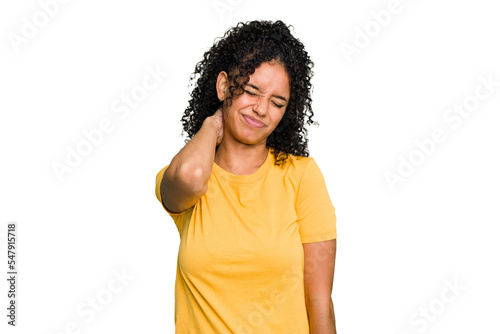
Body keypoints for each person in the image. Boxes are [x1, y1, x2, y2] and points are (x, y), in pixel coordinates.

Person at [155, 20, 337, 333]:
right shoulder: (185, 175)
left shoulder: (302, 176)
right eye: (251, 91)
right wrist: (213, 124)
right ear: (224, 86)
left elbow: (320, 303)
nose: (262, 109)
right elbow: (191, 176)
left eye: (277, 102)